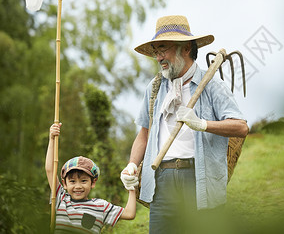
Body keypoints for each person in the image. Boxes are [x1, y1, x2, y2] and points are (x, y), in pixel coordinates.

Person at [120, 15, 248, 233]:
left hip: (198, 179)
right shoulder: (155, 87)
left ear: (186, 48)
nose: (159, 57)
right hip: (161, 182)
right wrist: (132, 164)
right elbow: (144, 133)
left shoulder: (212, 85)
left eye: (163, 49)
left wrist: (203, 124)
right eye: (156, 52)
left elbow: (241, 127)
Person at [46, 123, 136, 233]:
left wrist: (131, 186)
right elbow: (50, 169)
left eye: (83, 181)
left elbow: (129, 213)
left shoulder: (101, 206)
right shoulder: (61, 199)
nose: (78, 186)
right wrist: (52, 139)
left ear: (93, 183)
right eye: (72, 181)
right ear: (64, 184)